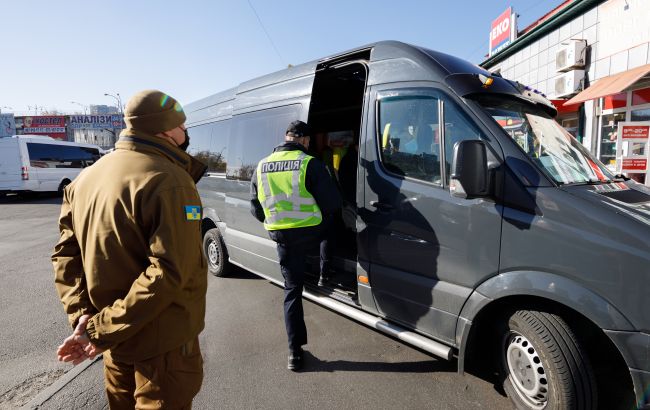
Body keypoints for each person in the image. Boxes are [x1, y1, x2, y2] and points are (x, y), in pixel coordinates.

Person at [52, 89, 208, 409]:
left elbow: (67, 257)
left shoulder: (84, 180)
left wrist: (85, 320)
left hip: (115, 343)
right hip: (162, 344)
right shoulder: (170, 180)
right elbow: (168, 271)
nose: (185, 131)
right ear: (165, 129)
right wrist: (98, 329)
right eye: (182, 125)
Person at [250, 120, 341, 371]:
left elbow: (255, 208)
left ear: (286, 137)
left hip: (282, 237)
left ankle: (294, 353)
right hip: (311, 232)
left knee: (292, 291)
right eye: (309, 141)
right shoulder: (310, 163)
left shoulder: (261, 165)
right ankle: (326, 272)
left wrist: (277, 222)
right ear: (303, 140)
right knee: (332, 225)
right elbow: (333, 204)